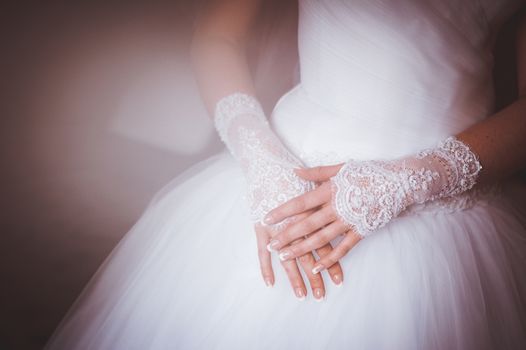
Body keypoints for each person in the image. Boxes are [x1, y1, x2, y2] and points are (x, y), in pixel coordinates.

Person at [45, 0, 526, 349]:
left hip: (448, 211)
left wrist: (410, 179)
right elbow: (218, 36)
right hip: (284, 178)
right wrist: (260, 160)